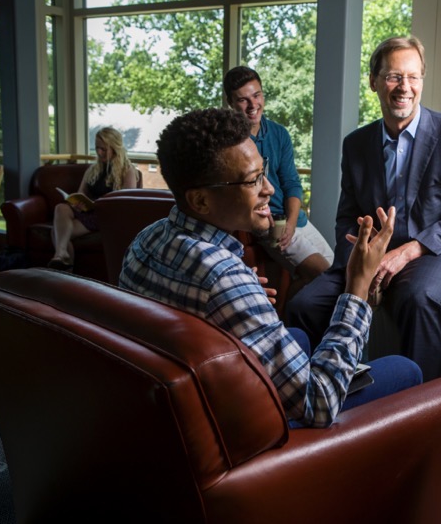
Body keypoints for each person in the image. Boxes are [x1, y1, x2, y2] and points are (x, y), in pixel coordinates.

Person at [119, 108, 422, 428]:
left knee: (300, 339)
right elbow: (318, 404)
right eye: (253, 180)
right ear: (201, 201)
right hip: (244, 433)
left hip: (179, 411)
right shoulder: (224, 280)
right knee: (406, 369)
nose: (270, 190)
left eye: (263, 173)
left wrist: (236, 303)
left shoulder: (144, 240)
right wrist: (357, 289)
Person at [286, 36, 441, 381]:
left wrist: (406, 252)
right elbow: (346, 217)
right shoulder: (356, 144)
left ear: (422, 81)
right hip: (375, 255)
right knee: (303, 305)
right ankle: (314, 397)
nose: (404, 87)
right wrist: (363, 263)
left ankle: (419, 411)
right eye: (394, 76)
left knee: (417, 296)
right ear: (374, 81)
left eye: (413, 77)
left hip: (439, 253)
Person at [223, 66, 334, 295]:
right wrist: (274, 226)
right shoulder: (229, 142)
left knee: (336, 274)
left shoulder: (279, 134)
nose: (253, 105)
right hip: (265, 224)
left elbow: (292, 184)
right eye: (243, 100)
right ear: (230, 103)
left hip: (296, 220)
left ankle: (289, 309)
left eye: (257, 95)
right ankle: (287, 311)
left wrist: (292, 223)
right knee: (323, 274)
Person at [48, 126, 138, 270]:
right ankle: (61, 255)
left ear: (115, 147)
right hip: (88, 211)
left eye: (103, 149)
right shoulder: (93, 169)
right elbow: (80, 193)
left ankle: (64, 267)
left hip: (106, 215)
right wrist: (76, 203)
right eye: (97, 148)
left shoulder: (127, 170)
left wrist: (99, 204)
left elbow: (127, 202)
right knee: (61, 207)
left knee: (57, 233)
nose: (99, 152)